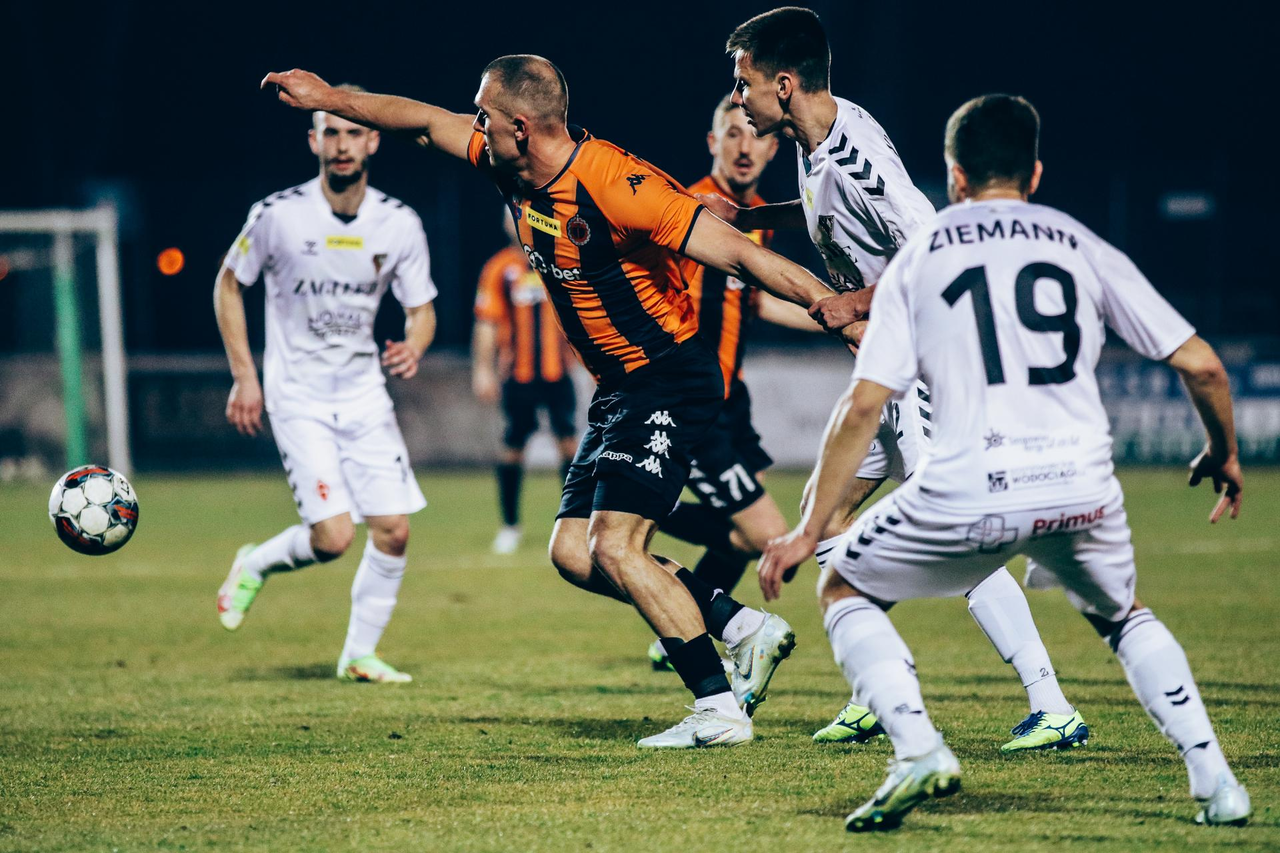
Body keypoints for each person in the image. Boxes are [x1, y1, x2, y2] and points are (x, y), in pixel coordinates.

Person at [261, 55, 841, 747]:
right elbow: (419, 122)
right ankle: (742, 627)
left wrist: (834, 308)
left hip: (667, 376)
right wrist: (329, 97)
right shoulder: (507, 163)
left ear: (521, 126)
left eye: (483, 115)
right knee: (573, 552)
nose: (473, 126)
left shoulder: (616, 185)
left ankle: (717, 708)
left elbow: (744, 256)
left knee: (616, 544)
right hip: (619, 387)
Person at [761, 93, 1251, 832]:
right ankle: (1217, 782)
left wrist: (802, 535)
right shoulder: (1080, 243)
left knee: (843, 584)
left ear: (955, 177)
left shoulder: (925, 253)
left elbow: (862, 406)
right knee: (1124, 617)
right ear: (1037, 172)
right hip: (1081, 485)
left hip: (977, 474)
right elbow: (1204, 365)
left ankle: (918, 744)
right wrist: (1223, 451)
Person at [710, 6, 1086, 752]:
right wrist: (753, 219)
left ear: (783, 85)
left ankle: (1052, 704)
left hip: (922, 367)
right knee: (822, 519)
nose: (738, 99)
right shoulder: (818, 140)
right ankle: (874, 693)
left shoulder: (857, 155)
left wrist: (853, 301)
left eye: (744, 83)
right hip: (887, 369)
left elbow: (936, 252)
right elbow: (826, 212)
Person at [213, 85, 438, 684]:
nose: (341, 144)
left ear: (373, 141)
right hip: (298, 396)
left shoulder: (399, 224)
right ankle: (254, 564)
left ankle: (358, 656)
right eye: (330, 132)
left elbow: (421, 308)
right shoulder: (277, 215)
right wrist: (245, 375)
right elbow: (229, 284)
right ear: (313, 140)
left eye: (352, 132)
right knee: (335, 537)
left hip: (364, 395)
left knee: (393, 530)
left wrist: (414, 345)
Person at [649, 94, 823, 672]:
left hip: (731, 400)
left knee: (745, 534)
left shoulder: (754, 220)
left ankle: (682, 625)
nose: (744, 146)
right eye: (731, 134)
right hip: (695, 398)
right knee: (766, 535)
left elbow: (762, 304)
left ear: (773, 148)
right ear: (712, 143)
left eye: (755, 136)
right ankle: (642, 505)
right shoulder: (689, 211)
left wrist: (842, 321)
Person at [472, 211, 578, 555]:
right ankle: (510, 526)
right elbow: (487, 321)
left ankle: (574, 524)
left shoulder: (561, 261)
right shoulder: (499, 268)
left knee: (570, 446)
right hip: (518, 375)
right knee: (513, 446)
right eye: (513, 217)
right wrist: (483, 369)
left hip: (558, 373)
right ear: (506, 224)